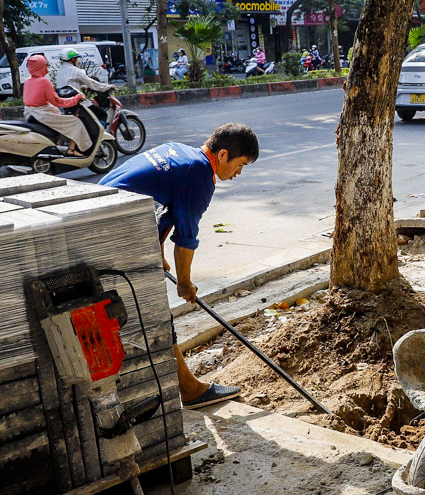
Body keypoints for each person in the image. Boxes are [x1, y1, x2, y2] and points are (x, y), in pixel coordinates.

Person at [100, 123, 260, 409]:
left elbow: (154, 203)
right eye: (240, 165)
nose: (238, 173)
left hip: (104, 222)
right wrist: (184, 282)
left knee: (141, 314)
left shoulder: (178, 151)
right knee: (152, 312)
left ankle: (185, 387)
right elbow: (185, 238)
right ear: (223, 155)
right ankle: (189, 390)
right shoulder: (199, 175)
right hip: (111, 237)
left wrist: (154, 250)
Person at [22, 54, 92, 155]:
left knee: (61, 116)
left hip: (30, 113)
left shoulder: (28, 81)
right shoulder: (44, 82)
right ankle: (71, 149)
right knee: (76, 122)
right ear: (41, 67)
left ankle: (59, 145)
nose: (47, 68)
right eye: (46, 65)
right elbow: (58, 102)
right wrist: (76, 98)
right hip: (42, 113)